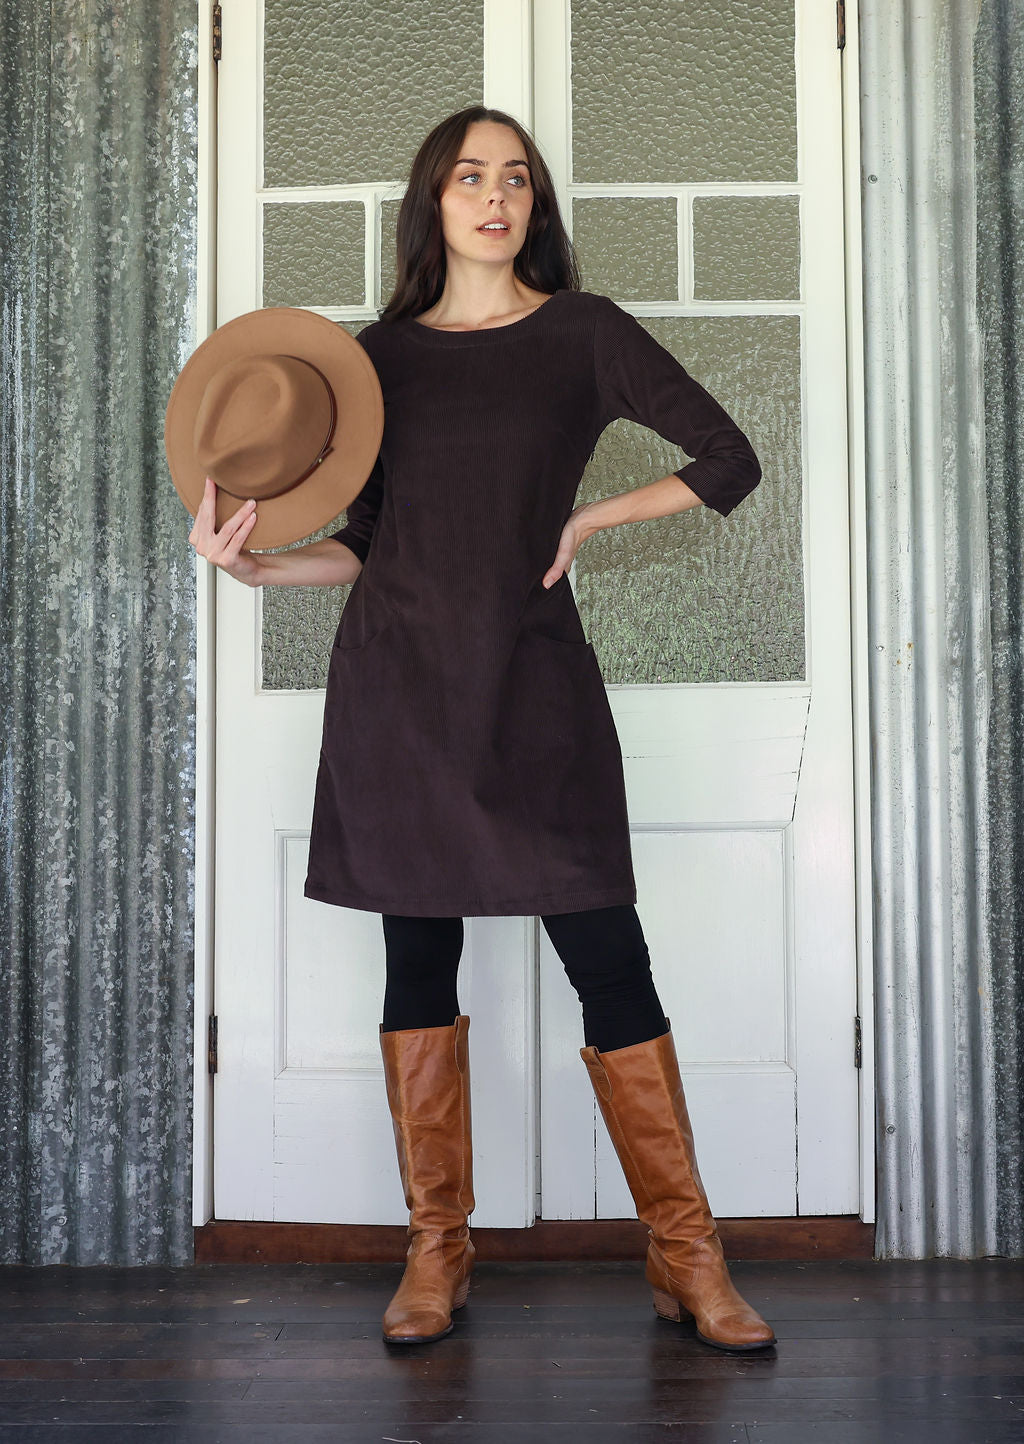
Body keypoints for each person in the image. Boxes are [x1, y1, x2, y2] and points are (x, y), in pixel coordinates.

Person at [189, 105, 775, 1354]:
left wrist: (592, 519)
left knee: (608, 958)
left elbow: (730, 457)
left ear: (535, 204)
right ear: (433, 202)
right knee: (419, 968)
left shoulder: (583, 334)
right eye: (470, 178)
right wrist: (249, 574)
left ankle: (686, 1252)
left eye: (516, 179)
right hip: (400, 697)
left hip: (534, 688)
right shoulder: (374, 362)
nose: (495, 198)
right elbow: (363, 546)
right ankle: (435, 1247)